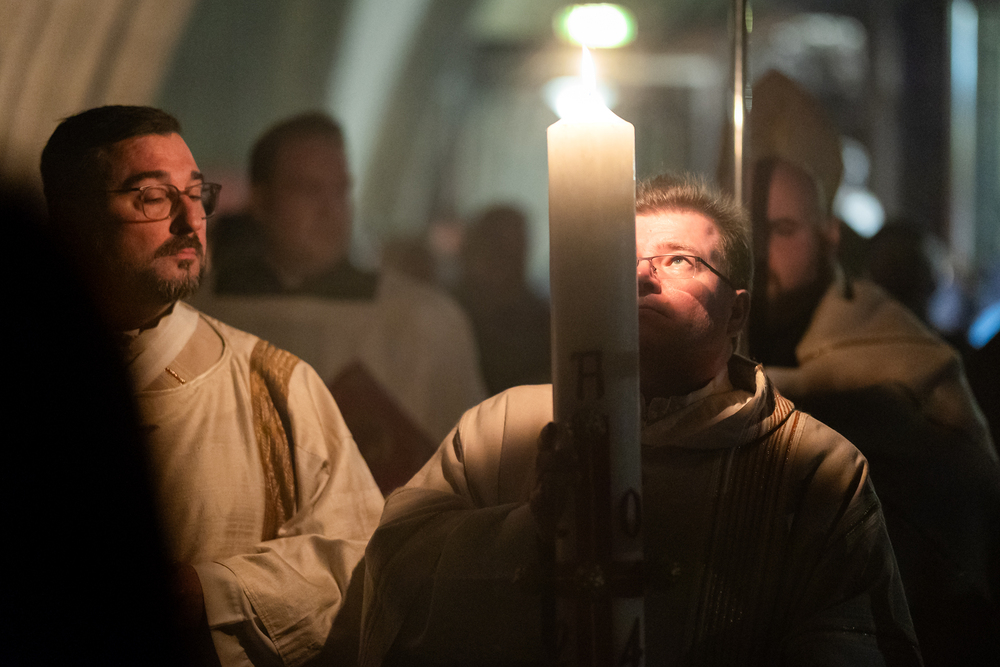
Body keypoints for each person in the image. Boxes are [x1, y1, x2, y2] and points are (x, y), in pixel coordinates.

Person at [359, 174, 921, 666]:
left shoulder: (817, 468)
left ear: (737, 312)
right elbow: (396, 569)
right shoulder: (501, 428)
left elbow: (850, 643)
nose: (641, 278)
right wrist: (526, 531)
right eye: (621, 262)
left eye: (678, 260)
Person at [40, 105, 384, 667]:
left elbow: (362, 564)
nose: (190, 219)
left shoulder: (275, 386)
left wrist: (212, 593)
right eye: (154, 196)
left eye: (196, 193)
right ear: (72, 218)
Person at [746, 70, 1000, 665]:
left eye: (783, 230)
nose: (759, 251)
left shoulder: (889, 346)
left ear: (829, 237)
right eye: (747, 229)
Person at [193, 112, 486, 494]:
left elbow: (467, 467)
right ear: (261, 201)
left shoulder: (424, 319)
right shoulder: (197, 313)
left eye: (340, 190)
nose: (331, 209)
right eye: (309, 190)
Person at [453, 204, 551, 394]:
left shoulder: (541, 319)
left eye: (514, 250)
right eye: (497, 245)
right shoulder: (446, 309)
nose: (505, 259)